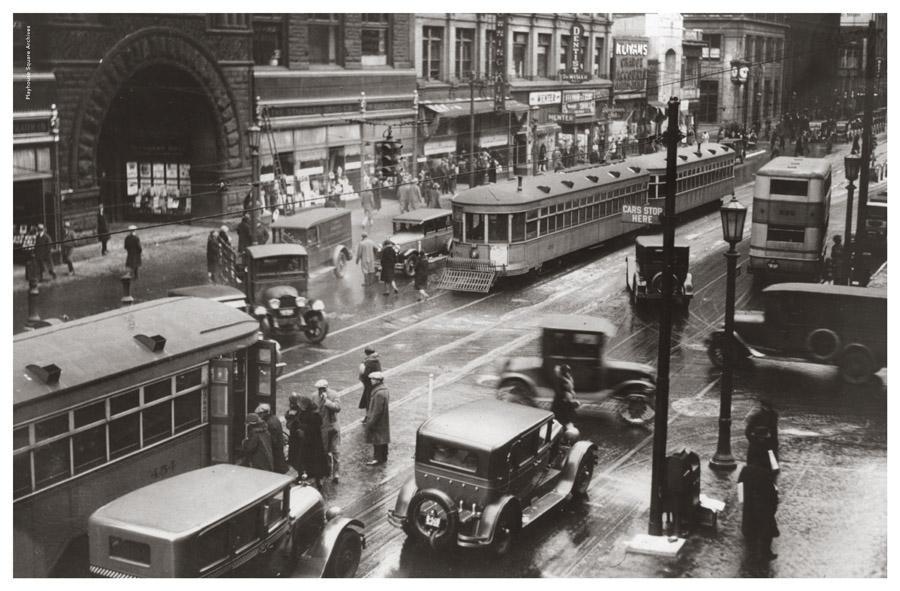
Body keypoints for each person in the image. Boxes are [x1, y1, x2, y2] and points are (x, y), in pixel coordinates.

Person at [738, 452, 780, 561]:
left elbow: (740, 485)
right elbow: (772, 494)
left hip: (749, 505)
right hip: (763, 508)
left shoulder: (745, 470)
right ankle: (766, 553)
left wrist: (742, 501)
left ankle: (752, 554)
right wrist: (773, 507)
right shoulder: (765, 474)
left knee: (751, 530)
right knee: (766, 532)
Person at [295, 395, 329, 488]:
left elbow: (315, 427)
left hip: (313, 442)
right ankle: (307, 476)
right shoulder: (305, 412)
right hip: (307, 441)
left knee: (315, 462)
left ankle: (318, 480)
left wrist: (303, 430)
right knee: (306, 461)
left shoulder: (314, 414)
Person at [314, 379, 342, 483]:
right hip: (322, 427)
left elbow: (338, 408)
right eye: (319, 389)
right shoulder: (314, 396)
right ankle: (327, 470)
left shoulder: (334, 394)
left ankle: (336, 473)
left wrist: (327, 402)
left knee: (335, 451)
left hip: (333, 427)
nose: (321, 391)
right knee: (325, 451)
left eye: (323, 389)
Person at [363, 371, 390, 465]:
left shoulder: (378, 393)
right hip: (383, 419)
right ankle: (384, 456)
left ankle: (377, 459)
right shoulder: (384, 390)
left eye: (373, 379)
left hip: (378, 421)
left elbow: (376, 410)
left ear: (378, 381)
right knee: (383, 439)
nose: (371, 381)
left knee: (377, 439)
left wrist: (370, 422)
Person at [745, 398, 779, 464]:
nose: (768, 409)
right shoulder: (757, 415)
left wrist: (775, 441)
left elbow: (774, 429)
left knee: (772, 465)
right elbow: (748, 432)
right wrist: (754, 442)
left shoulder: (773, 415)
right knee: (756, 464)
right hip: (759, 442)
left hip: (767, 442)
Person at [256, 403, 287, 474]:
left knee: (277, 470)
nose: (259, 416)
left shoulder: (270, 423)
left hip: (275, 451)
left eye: (260, 414)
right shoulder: (273, 418)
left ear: (265, 413)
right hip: (278, 449)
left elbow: (273, 440)